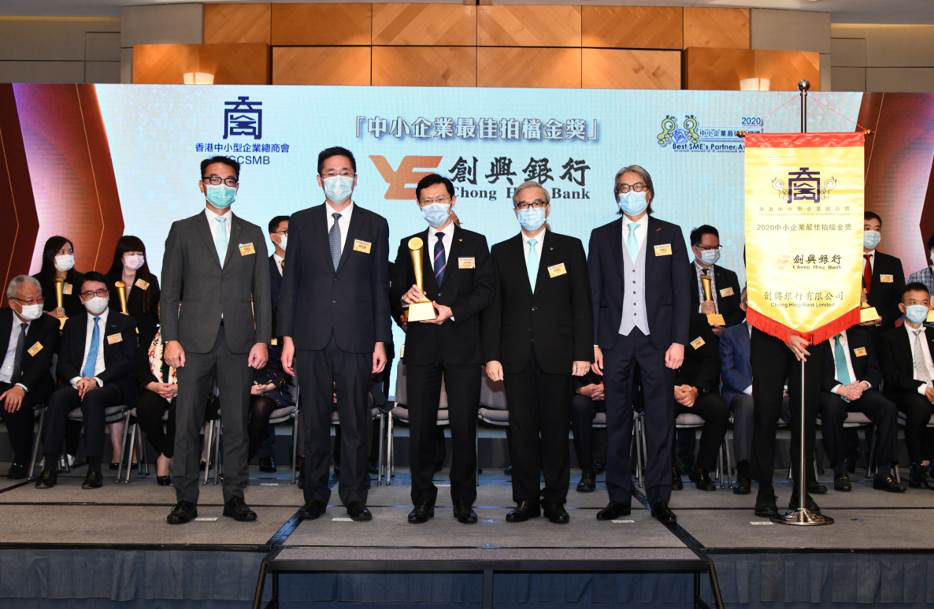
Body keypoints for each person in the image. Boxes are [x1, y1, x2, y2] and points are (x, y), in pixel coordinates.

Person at [280, 146, 390, 523]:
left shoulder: (375, 224)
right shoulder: (301, 221)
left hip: (357, 338)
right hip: (310, 338)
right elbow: (290, 284)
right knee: (314, 421)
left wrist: (380, 339)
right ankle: (314, 495)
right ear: (319, 179)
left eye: (345, 172)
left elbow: (379, 286)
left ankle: (355, 495)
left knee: (356, 422)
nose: (338, 179)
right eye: (330, 173)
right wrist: (287, 338)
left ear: (356, 179)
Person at [160, 155, 271, 524]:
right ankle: (185, 499)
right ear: (202, 184)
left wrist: (262, 339)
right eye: (215, 179)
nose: (222, 186)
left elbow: (263, 294)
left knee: (237, 423)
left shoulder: (252, 232)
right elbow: (169, 292)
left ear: (237, 186)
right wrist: (171, 339)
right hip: (192, 342)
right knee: (187, 421)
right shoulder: (183, 230)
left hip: (239, 342)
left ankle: (234, 496)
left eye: (229, 180)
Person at [483, 180, 592, 524]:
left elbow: (582, 304)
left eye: (536, 203)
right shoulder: (501, 252)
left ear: (548, 207)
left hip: (557, 355)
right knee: (522, 431)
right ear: (514, 210)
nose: (529, 210)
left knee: (557, 430)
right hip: (515, 357)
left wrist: (583, 352)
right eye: (523, 204)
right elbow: (494, 310)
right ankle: (526, 499)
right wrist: (491, 355)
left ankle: (556, 500)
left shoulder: (570, 247)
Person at [588, 164, 689, 526]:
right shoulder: (601, 236)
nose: (631, 193)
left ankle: (659, 499)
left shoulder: (670, 233)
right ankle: (618, 497)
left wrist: (679, 340)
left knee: (660, 421)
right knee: (616, 421)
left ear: (650, 192)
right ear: (616, 195)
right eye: (624, 187)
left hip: (657, 342)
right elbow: (594, 293)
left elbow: (682, 292)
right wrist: (593, 342)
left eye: (638, 186)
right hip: (614, 341)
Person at [392, 173, 493, 525]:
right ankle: (422, 500)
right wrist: (404, 300)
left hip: (463, 346)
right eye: (427, 201)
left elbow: (486, 290)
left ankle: (464, 500)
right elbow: (394, 293)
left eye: (440, 199)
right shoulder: (408, 244)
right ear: (418, 204)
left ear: (453, 200)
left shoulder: (475, 242)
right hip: (421, 348)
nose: (434, 205)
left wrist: (453, 310)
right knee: (421, 427)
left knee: (464, 427)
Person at [35, 272, 137, 489]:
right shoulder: (73, 324)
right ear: (81, 299)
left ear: (108, 294)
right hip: (79, 383)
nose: (95, 297)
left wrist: (97, 380)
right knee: (57, 398)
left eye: (100, 292)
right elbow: (63, 362)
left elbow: (127, 361)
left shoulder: (124, 322)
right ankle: (50, 465)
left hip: (112, 384)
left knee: (93, 398)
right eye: (89, 294)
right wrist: (77, 380)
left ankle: (94, 468)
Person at [817, 325, 902, 493]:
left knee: (888, 408)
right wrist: (841, 389)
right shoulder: (816, 337)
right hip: (831, 390)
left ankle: (883, 472)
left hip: (859, 388)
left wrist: (862, 386)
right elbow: (814, 372)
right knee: (832, 409)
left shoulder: (861, 335)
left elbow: (874, 369)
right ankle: (839, 470)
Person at [105, 235, 161, 471]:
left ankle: (137, 449)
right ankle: (118, 449)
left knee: (139, 391)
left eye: (139, 254)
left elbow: (156, 313)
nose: (135, 258)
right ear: (120, 256)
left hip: (143, 343)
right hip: (115, 344)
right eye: (130, 253)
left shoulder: (150, 281)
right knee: (118, 388)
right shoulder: (108, 281)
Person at [0, 276, 59, 479]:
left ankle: (21, 459)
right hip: (2, 379)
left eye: (39, 299)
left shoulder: (48, 324)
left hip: (34, 382)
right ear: (12, 302)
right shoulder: (2, 320)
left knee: (15, 403)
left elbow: (42, 363)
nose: (36, 304)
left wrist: (21, 387)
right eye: (29, 300)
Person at [880, 283, 934, 490]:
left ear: (929, 306)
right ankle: (918, 465)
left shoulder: (932, 335)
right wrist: (922, 387)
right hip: (904, 391)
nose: (919, 307)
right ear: (902, 307)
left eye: (923, 303)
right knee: (920, 406)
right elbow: (892, 376)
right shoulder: (889, 338)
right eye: (913, 303)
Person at [673, 314, 729, 491]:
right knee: (659, 409)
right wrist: (671, 389)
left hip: (696, 389)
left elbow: (711, 360)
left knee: (719, 410)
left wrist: (696, 389)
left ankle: (702, 469)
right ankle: (669, 469)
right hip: (666, 390)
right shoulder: (656, 321)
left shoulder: (699, 323)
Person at [259, 215, 290, 473]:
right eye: (286, 231)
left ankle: (303, 459)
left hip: (303, 342)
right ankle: (264, 453)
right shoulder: (261, 267)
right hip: (269, 342)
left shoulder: (306, 265)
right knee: (264, 395)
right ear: (273, 236)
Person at [718, 289, 755, 494]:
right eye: (751, 302)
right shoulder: (731, 334)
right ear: (743, 306)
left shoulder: (777, 334)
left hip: (775, 391)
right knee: (747, 404)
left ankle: (806, 474)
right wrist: (752, 390)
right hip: (740, 392)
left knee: (801, 402)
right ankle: (744, 470)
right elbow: (728, 370)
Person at [135, 310, 177, 485]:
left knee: (182, 410)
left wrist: (180, 387)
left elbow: (203, 367)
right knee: (146, 409)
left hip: (187, 388)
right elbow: (139, 366)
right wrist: (153, 386)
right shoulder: (149, 333)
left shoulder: (196, 333)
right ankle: (169, 452)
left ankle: (164, 458)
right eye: (161, 308)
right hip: (155, 386)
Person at [688, 225, 743, 330]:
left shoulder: (729, 276)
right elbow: (676, 309)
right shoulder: (682, 276)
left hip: (725, 336)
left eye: (716, 247)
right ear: (695, 249)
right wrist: (700, 309)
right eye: (708, 248)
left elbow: (738, 310)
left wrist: (726, 331)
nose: (713, 252)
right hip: (694, 335)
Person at [863, 212, 905, 330]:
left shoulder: (892, 263)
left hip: (884, 331)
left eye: (877, 229)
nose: (872, 233)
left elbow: (901, 298)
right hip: (851, 332)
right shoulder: (844, 262)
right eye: (867, 228)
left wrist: (882, 318)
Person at [33, 235, 84, 321]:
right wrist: (48, 315)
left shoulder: (81, 280)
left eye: (70, 252)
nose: (67, 255)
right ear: (51, 255)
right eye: (62, 252)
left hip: (73, 326)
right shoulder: (36, 281)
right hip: (46, 326)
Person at [570, 372, 606, 493]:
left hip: (615, 389)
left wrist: (607, 387)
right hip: (581, 390)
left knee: (620, 406)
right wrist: (579, 389)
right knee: (579, 405)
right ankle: (587, 471)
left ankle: (601, 461)